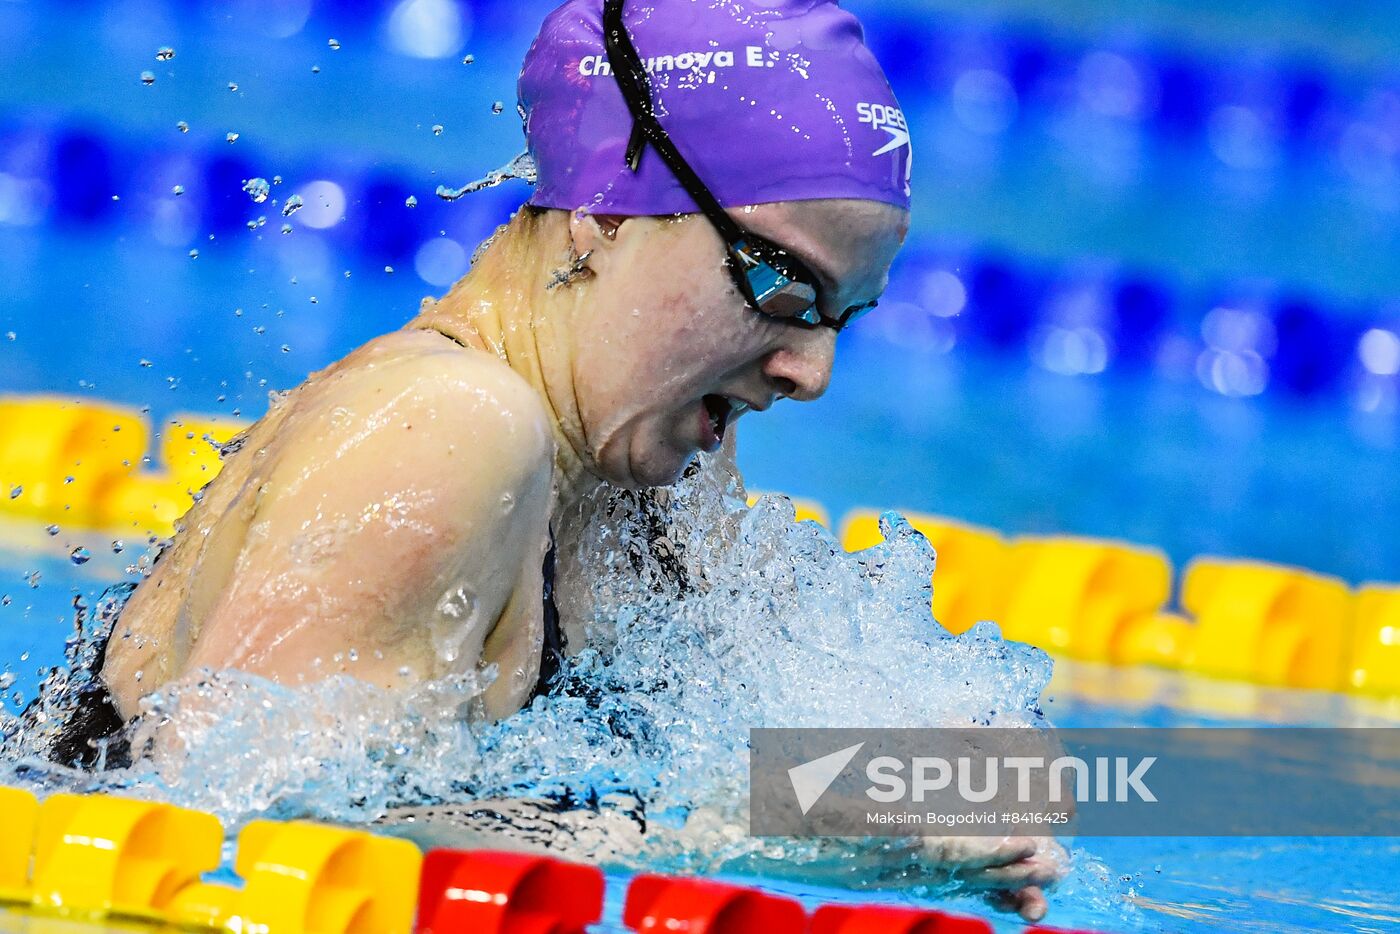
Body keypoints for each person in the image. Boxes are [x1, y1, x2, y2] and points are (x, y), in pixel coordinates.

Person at [54, 0, 1063, 920]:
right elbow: (251, 840)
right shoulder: (445, 424)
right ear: (607, 215)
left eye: (843, 318)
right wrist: (766, 832)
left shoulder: (652, 470)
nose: (811, 371)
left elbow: (779, 727)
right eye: (781, 286)